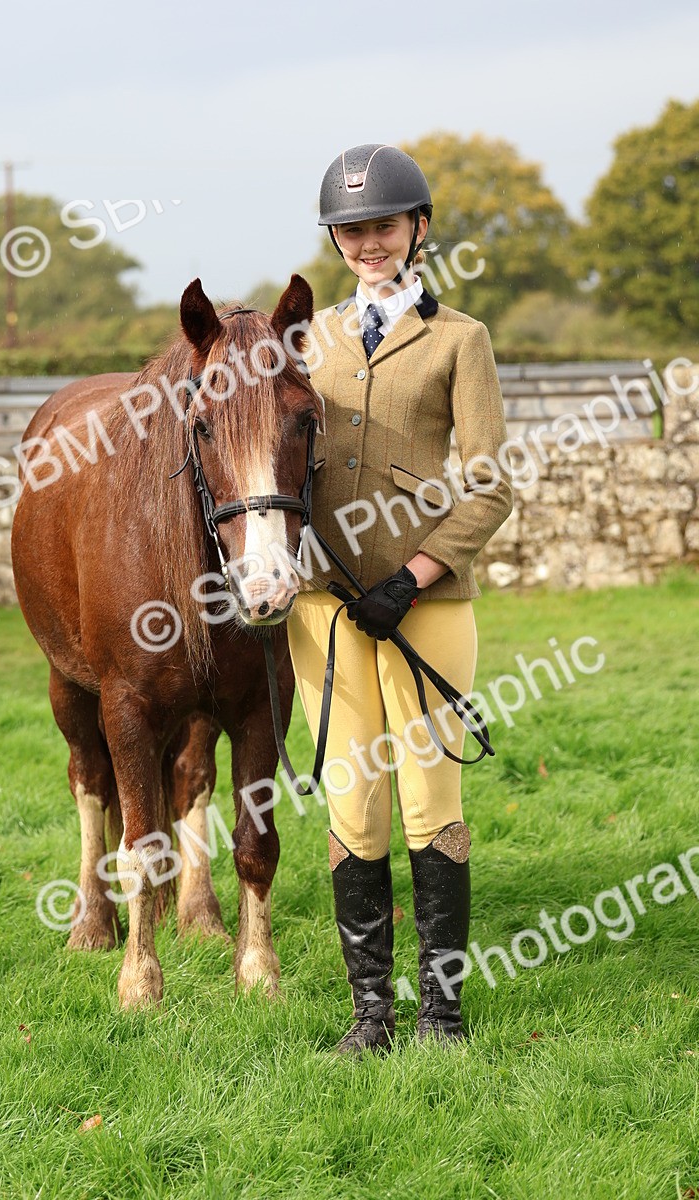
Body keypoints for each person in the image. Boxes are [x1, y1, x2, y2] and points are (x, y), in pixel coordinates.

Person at [286, 143, 514, 1056]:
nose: (367, 244)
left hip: (426, 608)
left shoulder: (460, 339)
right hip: (325, 612)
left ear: (418, 228)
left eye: (381, 226)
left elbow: (490, 486)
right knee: (353, 806)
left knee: (430, 801)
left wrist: (413, 576)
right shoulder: (305, 341)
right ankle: (370, 1015)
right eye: (351, 231)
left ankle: (442, 1017)